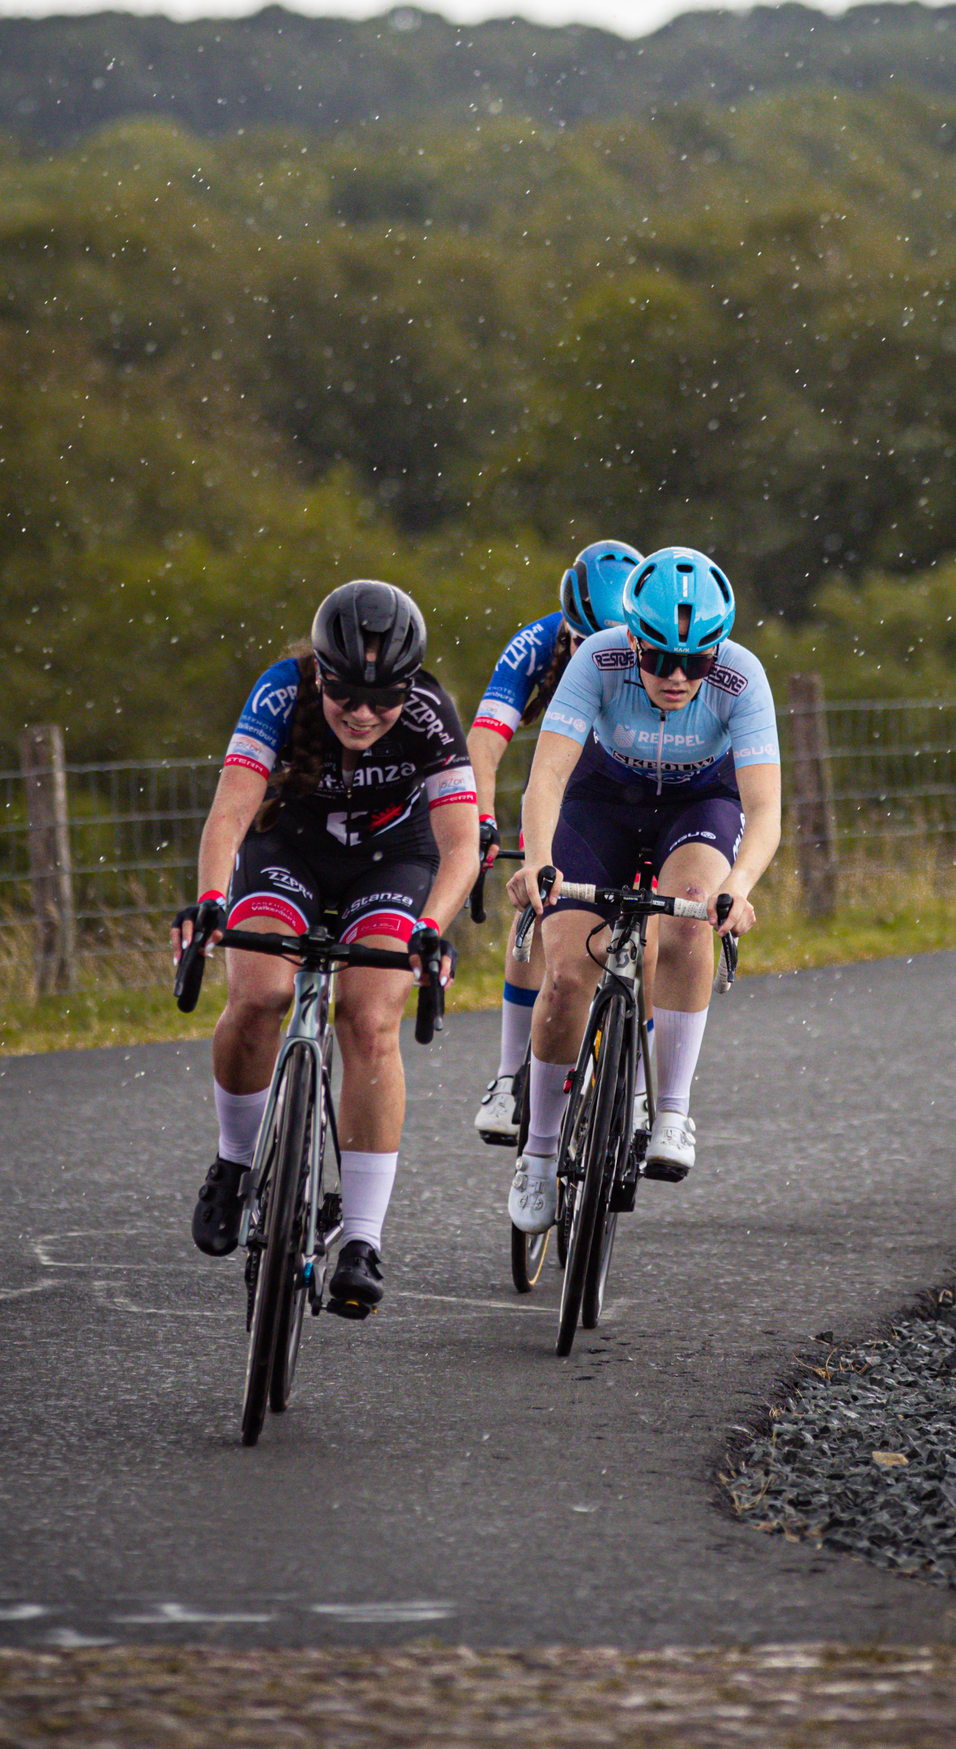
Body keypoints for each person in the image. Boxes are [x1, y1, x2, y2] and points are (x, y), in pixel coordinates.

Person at [177, 578, 480, 1316]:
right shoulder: (281, 693)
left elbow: (462, 844)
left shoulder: (432, 713)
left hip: (392, 862)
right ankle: (234, 1161)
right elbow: (230, 815)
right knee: (259, 996)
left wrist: (430, 927)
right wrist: (212, 903)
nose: (366, 713)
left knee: (369, 1020)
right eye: (348, 694)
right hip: (290, 852)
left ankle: (363, 1239)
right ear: (321, 673)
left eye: (386, 699)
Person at [504, 546, 780, 1234]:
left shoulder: (742, 677)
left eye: (697, 660)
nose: (679, 676)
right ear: (632, 639)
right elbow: (547, 780)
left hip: (698, 806)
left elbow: (765, 808)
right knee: (567, 975)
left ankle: (673, 1113)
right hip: (601, 803)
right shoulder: (595, 659)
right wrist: (537, 859)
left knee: (692, 922)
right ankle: (537, 1155)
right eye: (659, 658)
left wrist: (738, 887)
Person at [466, 539, 641, 1145]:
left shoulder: (651, 652)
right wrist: (481, 820)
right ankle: (511, 1072)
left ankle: (640, 1086)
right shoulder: (536, 645)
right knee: (538, 901)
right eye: (578, 643)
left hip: (637, 775)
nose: (590, 656)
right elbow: (485, 742)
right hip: (567, 781)